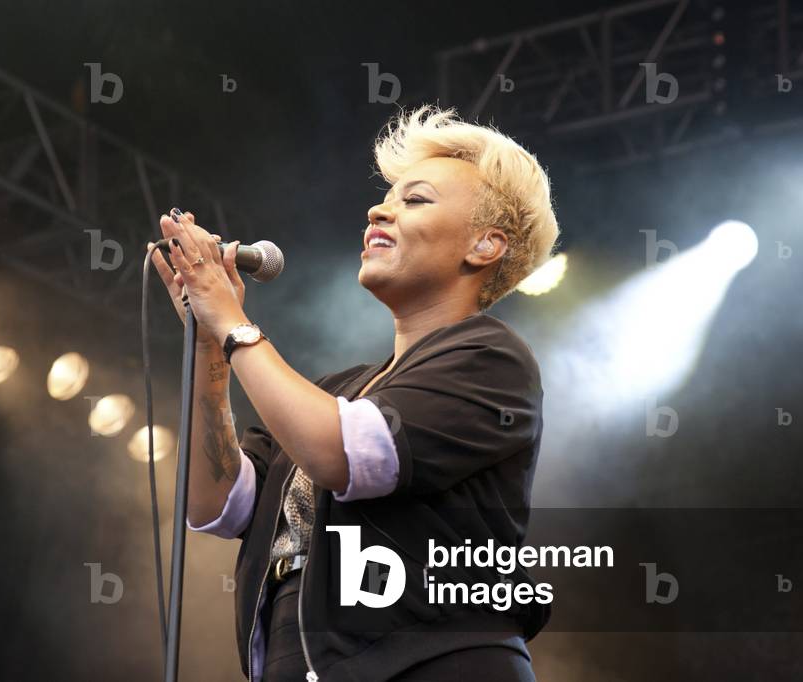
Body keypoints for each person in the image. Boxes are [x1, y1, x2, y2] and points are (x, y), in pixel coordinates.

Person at [148, 104, 559, 682]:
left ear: (486, 246)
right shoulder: (336, 392)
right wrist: (209, 348)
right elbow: (216, 504)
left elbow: (342, 453)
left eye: (415, 200)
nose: (378, 210)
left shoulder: (493, 359)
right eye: (386, 198)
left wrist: (235, 324)